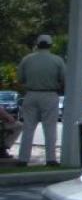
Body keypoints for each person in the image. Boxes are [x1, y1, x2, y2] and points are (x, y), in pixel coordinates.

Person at [16, 34, 66, 167]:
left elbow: (20, 78)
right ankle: (50, 159)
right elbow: (64, 79)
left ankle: (23, 159)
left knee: (28, 128)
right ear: (50, 45)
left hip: (31, 94)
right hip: (50, 95)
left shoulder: (27, 59)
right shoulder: (57, 60)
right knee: (50, 128)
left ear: (37, 45)